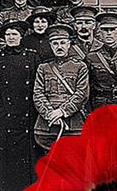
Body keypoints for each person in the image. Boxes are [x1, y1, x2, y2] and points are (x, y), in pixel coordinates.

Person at [0, 21, 40, 191]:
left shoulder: (32, 57)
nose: (11, 37)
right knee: (5, 156)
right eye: (8, 35)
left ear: (21, 36)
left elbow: (37, 88)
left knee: (25, 157)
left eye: (14, 34)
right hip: (3, 114)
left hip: (27, 114)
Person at [32, 24, 90, 154]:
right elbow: (38, 93)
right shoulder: (43, 67)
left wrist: (62, 111)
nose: (59, 47)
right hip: (47, 124)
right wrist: (49, 114)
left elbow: (82, 93)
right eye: (55, 43)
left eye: (63, 43)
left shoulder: (80, 67)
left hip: (73, 123)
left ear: (69, 44)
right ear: (51, 46)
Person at [86, 12, 117, 108]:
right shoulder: (91, 57)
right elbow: (87, 86)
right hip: (99, 104)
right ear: (99, 33)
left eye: (112, 29)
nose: (109, 33)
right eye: (105, 30)